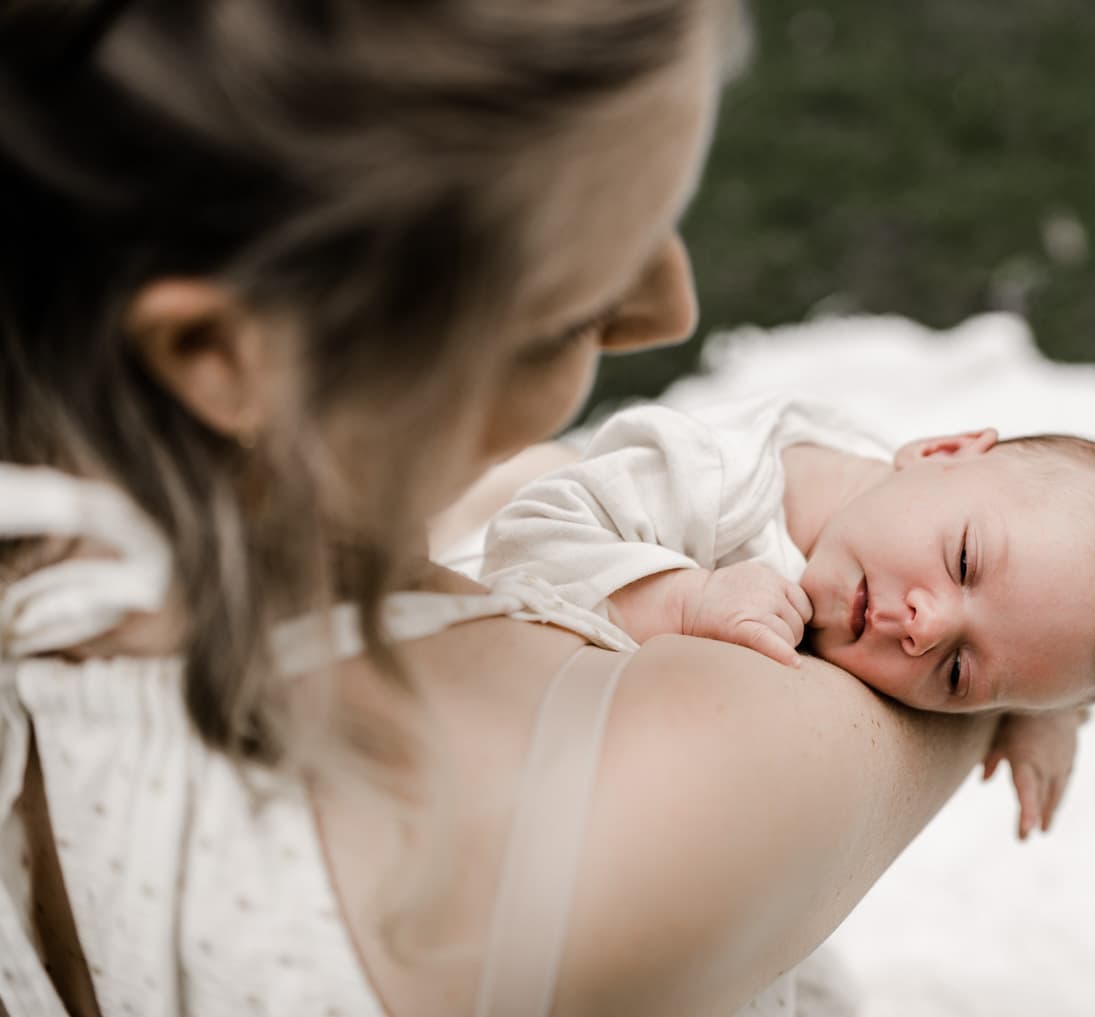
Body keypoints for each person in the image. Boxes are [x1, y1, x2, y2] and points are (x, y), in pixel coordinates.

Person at [0, 3, 1002, 1016]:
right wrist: (992, 612)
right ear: (224, 357)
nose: (672, 310)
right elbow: (994, 660)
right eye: (576, 307)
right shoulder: (652, 808)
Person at [480, 397, 1095, 837]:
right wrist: (683, 598)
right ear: (938, 452)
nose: (926, 626)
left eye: (957, 670)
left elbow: (1035, 630)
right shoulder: (717, 484)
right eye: (964, 561)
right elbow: (522, 543)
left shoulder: (917, 522)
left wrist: (1046, 707)